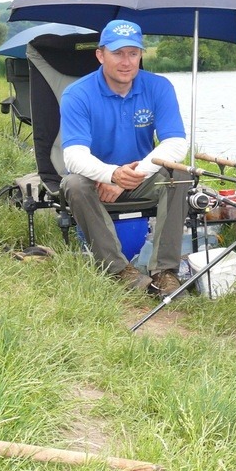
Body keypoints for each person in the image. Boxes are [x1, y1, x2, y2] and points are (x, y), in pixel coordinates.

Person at [60, 19, 191, 295]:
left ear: (141, 54)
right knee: (73, 184)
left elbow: (177, 143)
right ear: (100, 54)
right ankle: (119, 270)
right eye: (117, 53)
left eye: (133, 53)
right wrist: (110, 174)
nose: (126, 61)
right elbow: (73, 156)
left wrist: (129, 177)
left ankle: (165, 270)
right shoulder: (77, 94)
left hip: (139, 178)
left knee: (180, 174)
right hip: (96, 182)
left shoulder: (159, 87)